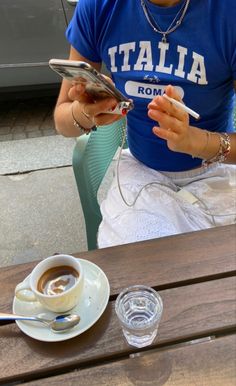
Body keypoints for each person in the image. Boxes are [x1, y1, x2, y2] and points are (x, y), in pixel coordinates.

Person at [54, 0, 236, 248]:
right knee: (142, 271)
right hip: (141, 174)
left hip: (216, 173)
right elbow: (62, 121)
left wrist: (197, 142)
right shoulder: (99, 7)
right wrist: (86, 112)